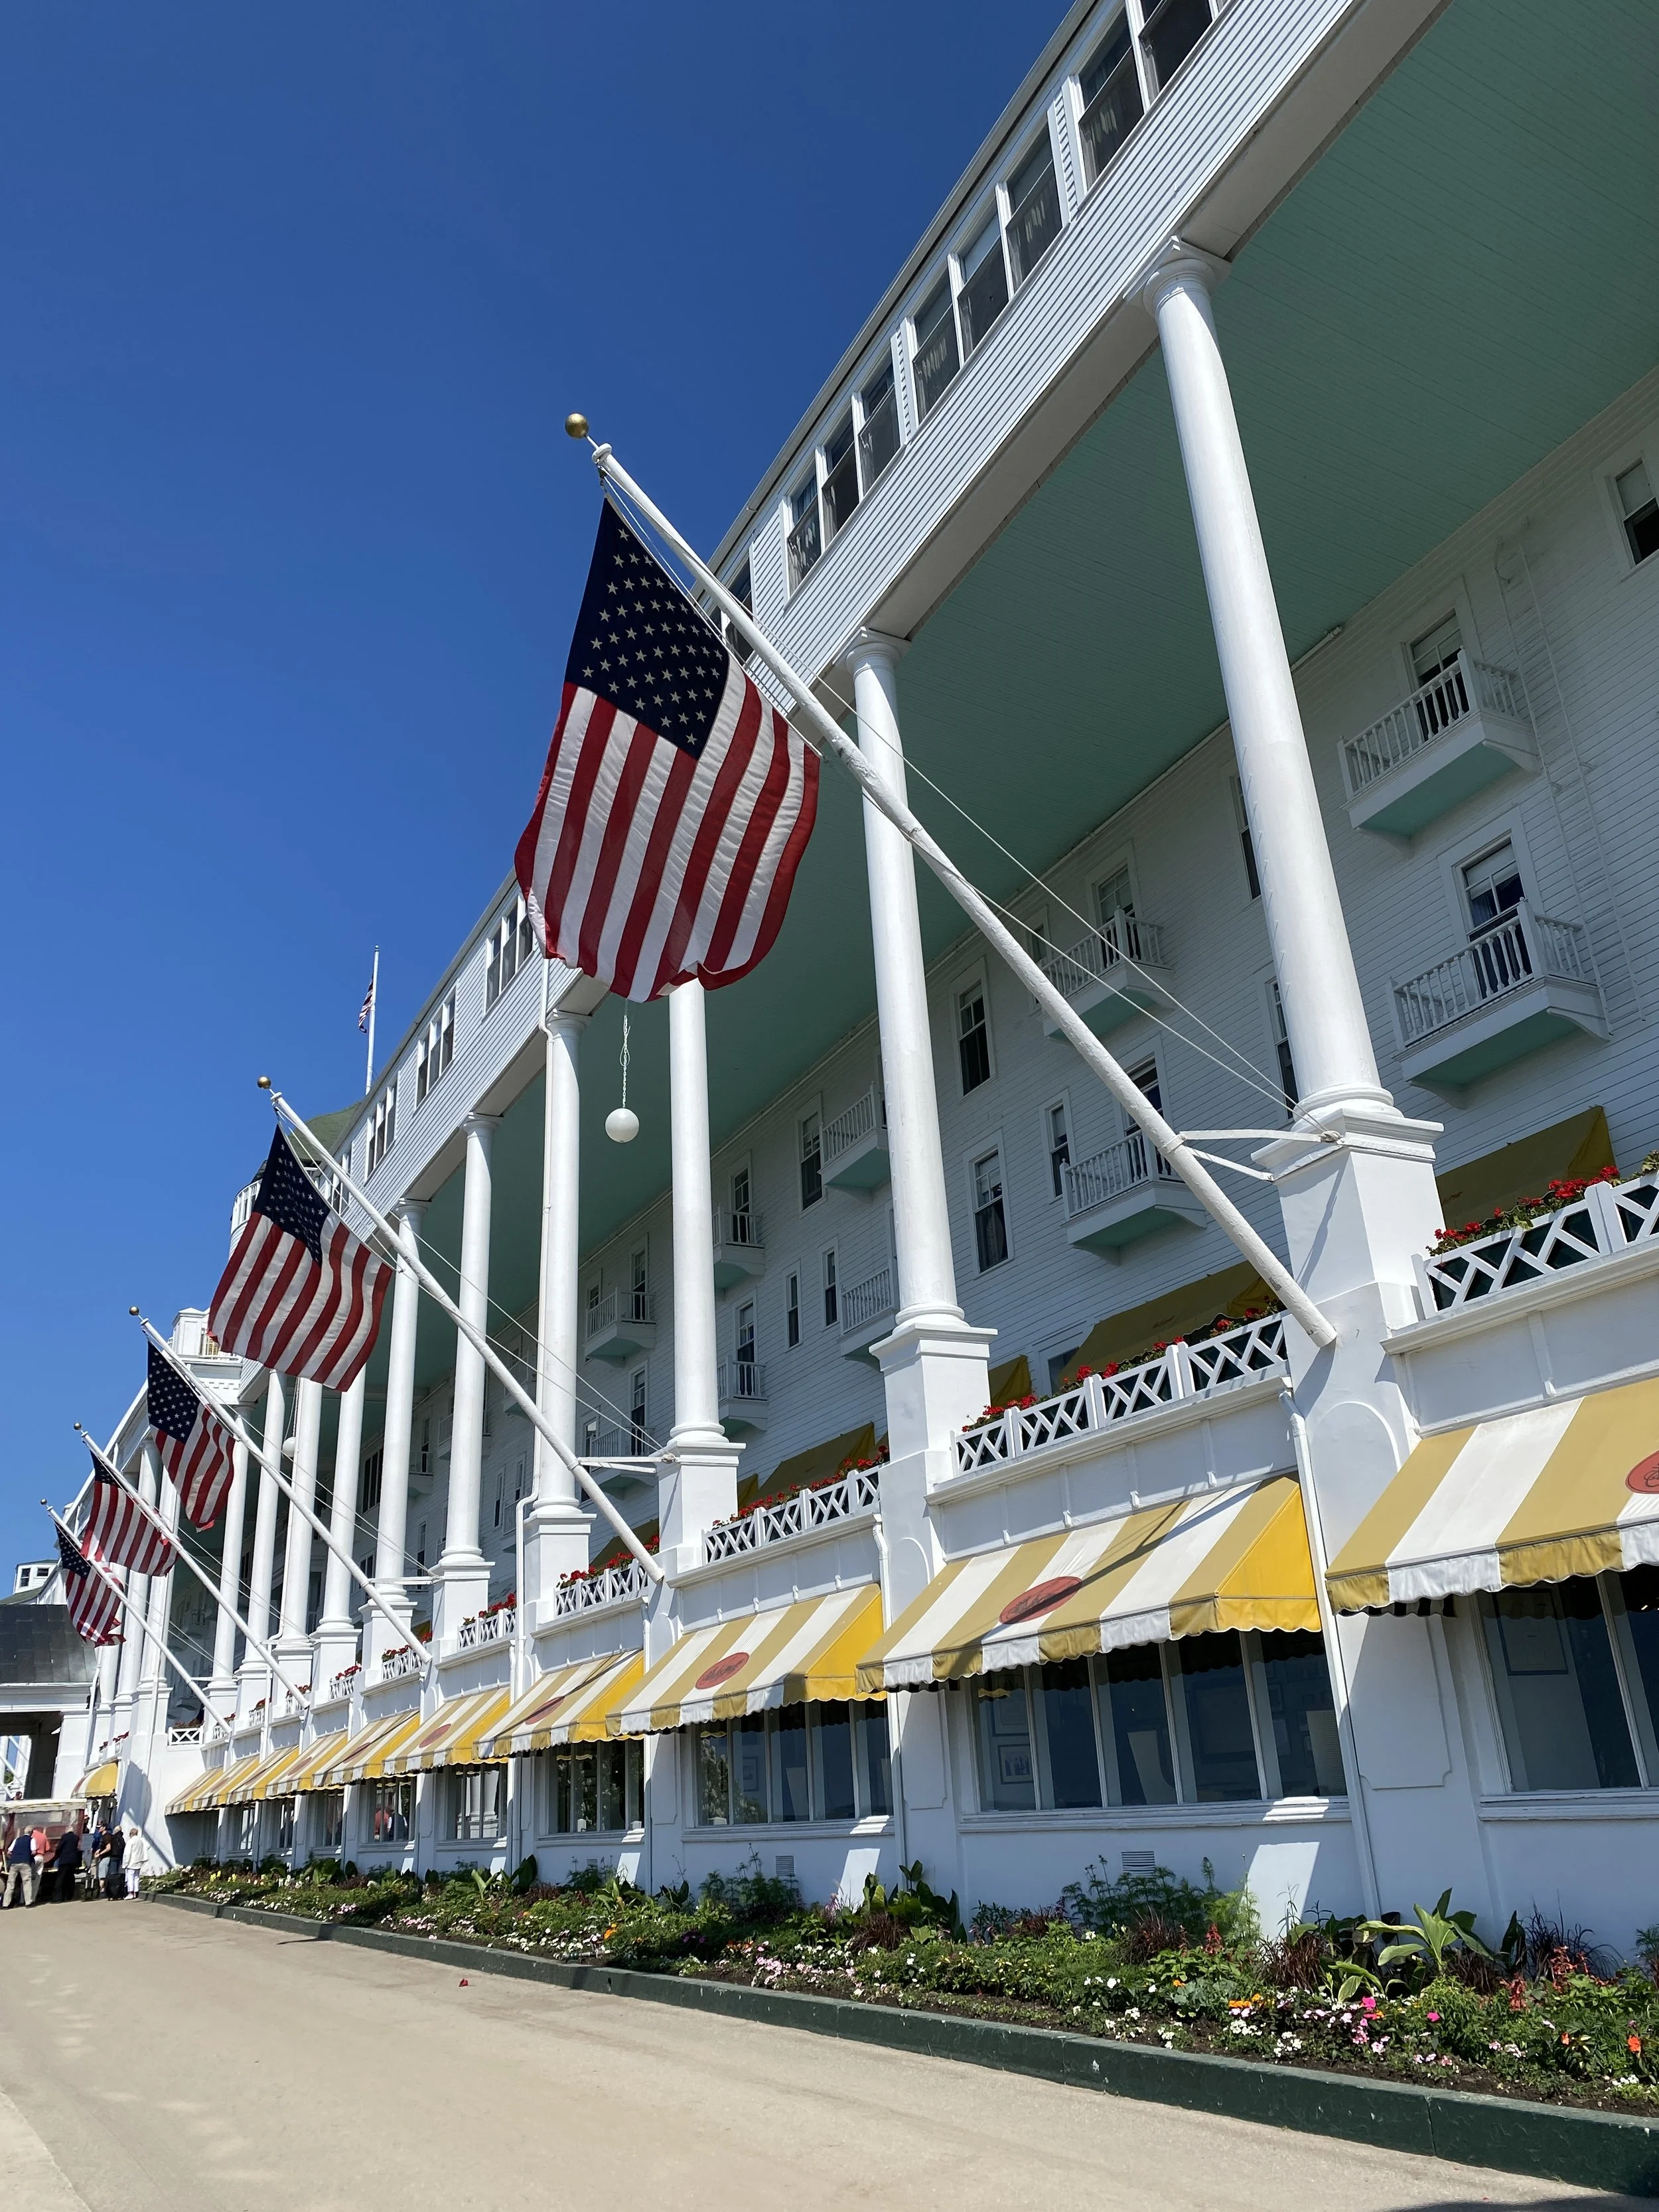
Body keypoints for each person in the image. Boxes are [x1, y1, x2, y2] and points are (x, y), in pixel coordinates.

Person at [4, 1824, 36, 1909]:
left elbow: (9, 1852)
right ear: (32, 1832)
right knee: (26, 1883)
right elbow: (34, 1852)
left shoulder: (17, 1840)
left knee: (10, 1884)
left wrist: (16, 1855)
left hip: (14, 1863)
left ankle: (5, 1904)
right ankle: (28, 1903)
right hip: (25, 1863)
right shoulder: (32, 1840)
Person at [48, 1825, 82, 1903]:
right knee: (70, 1878)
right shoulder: (76, 1838)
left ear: (67, 1831)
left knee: (61, 1879)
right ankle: (69, 1896)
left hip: (64, 1860)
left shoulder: (65, 1837)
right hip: (73, 1860)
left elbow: (59, 1848)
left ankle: (58, 1898)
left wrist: (57, 1855)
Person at [101, 1820, 125, 1901]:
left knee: (112, 1875)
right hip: (120, 1858)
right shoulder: (122, 1839)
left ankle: (112, 1891)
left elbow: (110, 1848)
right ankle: (117, 1891)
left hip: (113, 1857)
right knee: (117, 1874)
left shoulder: (114, 1838)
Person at [121, 1819, 144, 1899]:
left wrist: (125, 1863)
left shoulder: (131, 1841)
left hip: (131, 1862)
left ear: (131, 1834)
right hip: (138, 1862)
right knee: (136, 1878)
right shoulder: (141, 1841)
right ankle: (135, 1892)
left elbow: (127, 1853)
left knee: (130, 1878)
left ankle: (130, 1893)